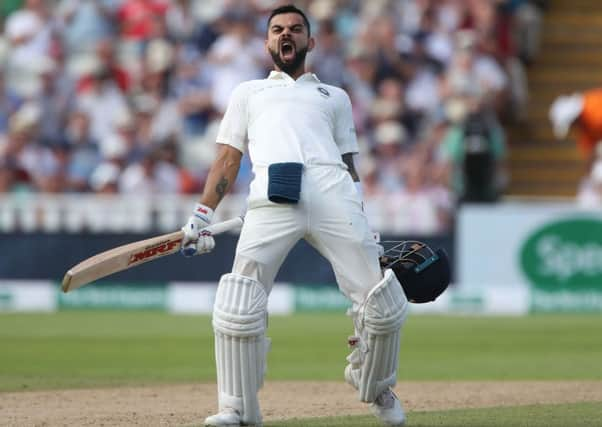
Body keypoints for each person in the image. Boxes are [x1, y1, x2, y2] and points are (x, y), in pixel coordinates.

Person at [179, 5, 408, 427]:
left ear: (310, 41)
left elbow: (350, 166)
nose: (287, 35)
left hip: (334, 194)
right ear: (267, 42)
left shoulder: (335, 96)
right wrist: (201, 213)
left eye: (296, 29)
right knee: (238, 303)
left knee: (382, 303)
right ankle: (237, 408)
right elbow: (228, 158)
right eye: (278, 30)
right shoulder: (248, 93)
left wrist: (364, 220)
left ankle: (376, 387)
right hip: (272, 195)